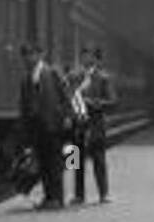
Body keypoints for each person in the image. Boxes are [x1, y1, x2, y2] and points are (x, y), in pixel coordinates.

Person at [19, 43, 74, 210]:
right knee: (43, 163)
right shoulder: (26, 78)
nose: (29, 58)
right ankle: (48, 197)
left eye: (31, 54)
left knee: (55, 162)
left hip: (53, 125)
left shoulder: (52, 72)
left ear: (40, 55)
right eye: (26, 56)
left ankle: (57, 198)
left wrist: (67, 117)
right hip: (37, 128)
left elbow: (65, 96)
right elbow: (24, 104)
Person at [78, 45, 117, 202]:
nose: (84, 58)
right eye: (83, 55)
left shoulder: (103, 78)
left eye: (87, 55)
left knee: (99, 160)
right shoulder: (74, 76)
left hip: (96, 125)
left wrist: (93, 103)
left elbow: (113, 101)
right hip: (77, 126)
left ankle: (104, 193)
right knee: (73, 161)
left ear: (95, 58)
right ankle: (78, 195)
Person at [67, 51, 91, 204]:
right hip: (76, 134)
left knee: (75, 166)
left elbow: (81, 113)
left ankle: (78, 194)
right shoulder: (75, 95)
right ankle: (77, 194)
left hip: (77, 134)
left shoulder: (75, 95)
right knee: (74, 166)